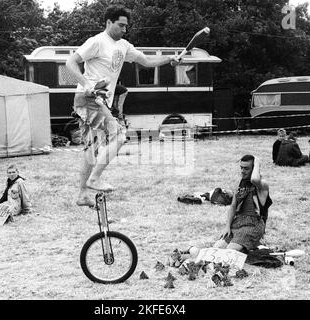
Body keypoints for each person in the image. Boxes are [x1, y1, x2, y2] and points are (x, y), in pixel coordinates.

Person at [65, 4, 180, 207]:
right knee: (119, 136)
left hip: (99, 101)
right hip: (89, 98)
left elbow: (146, 61)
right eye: (121, 25)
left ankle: (82, 194)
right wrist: (86, 84)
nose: (124, 30)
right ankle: (94, 179)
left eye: (126, 26)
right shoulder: (97, 42)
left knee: (91, 148)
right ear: (109, 22)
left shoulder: (124, 46)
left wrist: (169, 59)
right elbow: (70, 63)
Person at [178, 155, 272, 258]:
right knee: (216, 248)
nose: (242, 171)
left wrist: (257, 162)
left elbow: (254, 179)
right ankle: (193, 250)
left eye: (246, 168)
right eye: (241, 167)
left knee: (228, 253)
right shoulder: (240, 185)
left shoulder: (262, 185)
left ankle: (252, 246)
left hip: (253, 226)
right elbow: (232, 207)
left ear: (254, 169)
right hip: (237, 223)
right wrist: (227, 227)